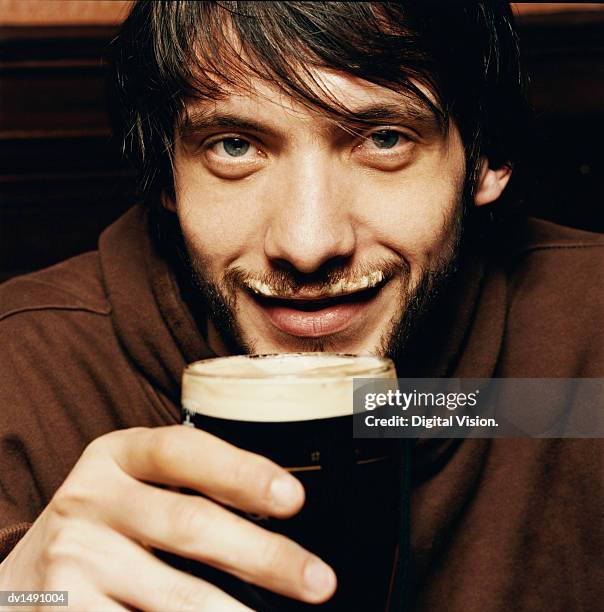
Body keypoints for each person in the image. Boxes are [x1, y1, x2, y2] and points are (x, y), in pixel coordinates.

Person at [0, 1, 602, 610]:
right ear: (167, 176)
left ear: (486, 158)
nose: (307, 244)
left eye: (384, 139)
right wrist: (14, 595)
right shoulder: (19, 370)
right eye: (234, 146)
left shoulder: (589, 333)